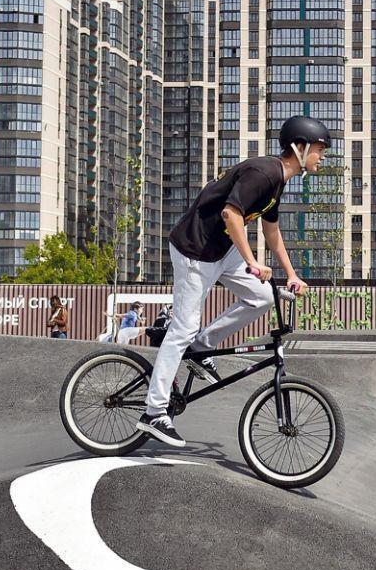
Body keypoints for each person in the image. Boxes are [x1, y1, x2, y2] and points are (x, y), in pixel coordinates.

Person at [137, 115, 328, 446]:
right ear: (300, 147)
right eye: (319, 150)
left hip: (221, 251)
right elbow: (231, 213)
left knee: (263, 296)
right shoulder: (264, 173)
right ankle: (154, 412)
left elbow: (271, 231)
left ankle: (203, 345)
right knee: (183, 328)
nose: (322, 157)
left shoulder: (278, 181)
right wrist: (253, 262)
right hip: (195, 249)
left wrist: (291, 274)